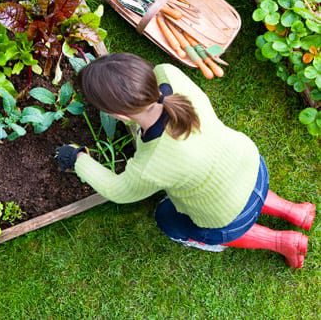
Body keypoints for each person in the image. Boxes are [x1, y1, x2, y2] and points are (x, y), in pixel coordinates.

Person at [55, 53, 315, 268]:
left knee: (167, 219)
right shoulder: (169, 75)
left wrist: (77, 159)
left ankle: (281, 242)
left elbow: (118, 190)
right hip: (251, 165)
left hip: (227, 215)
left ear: (119, 115)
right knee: (235, 187)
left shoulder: (152, 164)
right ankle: (295, 211)